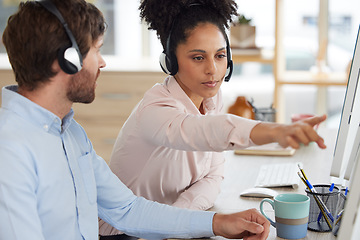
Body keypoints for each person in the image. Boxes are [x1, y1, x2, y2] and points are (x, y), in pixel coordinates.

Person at [0, 0, 272, 240]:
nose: (103, 63)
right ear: (67, 60)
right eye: (96, 50)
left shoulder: (71, 134)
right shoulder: (10, 150)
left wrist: (219, 223)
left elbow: (127, 209)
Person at [99, 0, 327, 237]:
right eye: (198, 58)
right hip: (121, 233)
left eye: (219, 56)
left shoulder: (210, 101)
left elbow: (213, 177)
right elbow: (206, 132)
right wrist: (275, 131)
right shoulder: (155, 109)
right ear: (171, 61)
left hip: (159, 231)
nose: (213, 69)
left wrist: (177, 221)